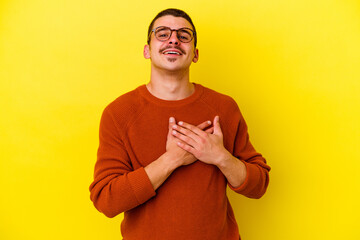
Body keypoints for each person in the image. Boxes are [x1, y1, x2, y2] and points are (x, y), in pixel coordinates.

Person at [89, 8, 270, 240]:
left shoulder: (223, 108)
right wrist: (171, 159)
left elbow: (259, 186)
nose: (173, 39)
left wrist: (220, 157)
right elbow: (107, 200)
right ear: (147, 50)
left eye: (184, 35)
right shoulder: (119, 113)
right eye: (162, 33)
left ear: (195, 53)